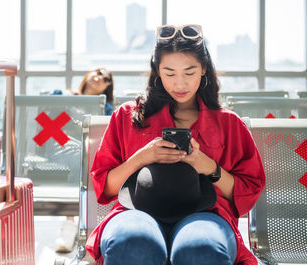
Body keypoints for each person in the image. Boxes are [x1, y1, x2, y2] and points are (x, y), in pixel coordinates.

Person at [85, 24, 266, 265]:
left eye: (189, 72)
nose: (179, 84)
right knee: (133, 243)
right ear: (157, 71)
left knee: (201, 249)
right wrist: (142, 158)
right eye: (170, 73)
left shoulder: (228, 123)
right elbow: (105, 187)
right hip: (136, 211)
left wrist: (208, 166)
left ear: (203, 69)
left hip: (207, 214)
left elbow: (246, 192)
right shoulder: (128, 116)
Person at [54, 68, 115, 253]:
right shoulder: (63, 96)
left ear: (107, 87)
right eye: (97, 73)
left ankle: (72, 226)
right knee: (81, 156)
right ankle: (75, 225)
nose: (99, 78)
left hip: (88, 153)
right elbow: (45, 122)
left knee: (85, 155)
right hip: (62, 148)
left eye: (105, 79)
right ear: (88, 74)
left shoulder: (107, 110)